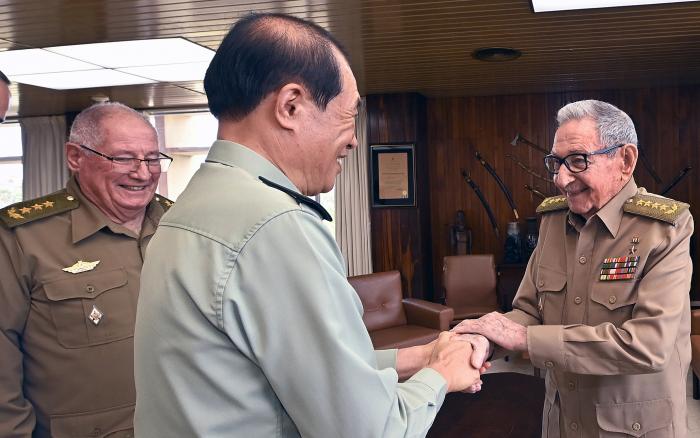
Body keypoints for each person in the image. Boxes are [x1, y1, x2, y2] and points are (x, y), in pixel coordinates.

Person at [134, 12, 487, 438]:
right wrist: (443, 376)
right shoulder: (277, 225)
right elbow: (370, 430)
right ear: (291, 106)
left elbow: (289, 367)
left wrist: (423, 355)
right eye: (349, 114)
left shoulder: (189, 209)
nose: (355, 139)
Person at [454, 99, 693, 437]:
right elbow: (527, 311)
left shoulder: (665, 229)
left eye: (578, 161)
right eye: (556, 163)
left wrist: (525, 338)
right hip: (562, 421)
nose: (561, 179)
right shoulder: (552, 221)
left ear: (624, 160)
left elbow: (648, 345)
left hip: (632, 428)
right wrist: (485, 337)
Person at [0, 102, 174, 437]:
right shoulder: (23, 239)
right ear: (76, 157)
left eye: (152, 158)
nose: (143, 172)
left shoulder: (182, 226)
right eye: (123, 158)